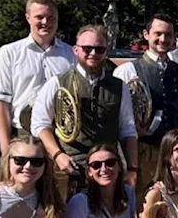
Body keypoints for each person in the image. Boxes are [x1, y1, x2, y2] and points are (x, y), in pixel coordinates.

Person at [33, 26, 139, 200]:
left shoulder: (120, 87)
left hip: (107, 170)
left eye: (99, 49)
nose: (93, 53)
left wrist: (133, 170)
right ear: (75, 50)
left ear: (107, 52)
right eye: (87, 48)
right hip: (70, 168)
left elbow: (127, 130)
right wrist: (58, 156)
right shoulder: (56, 83)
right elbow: (39, 124)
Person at [114, 14, 178, 194]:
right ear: (146, 34)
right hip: (142, 152)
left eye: (168, 35)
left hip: (172, 152)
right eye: (158, 34)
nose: (163, 39)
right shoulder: (127, 70)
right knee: (143, 202)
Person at [0, 0, 75, 153]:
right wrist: (5, 149)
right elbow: (1, 104)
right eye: (39, 17)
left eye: (51, 18)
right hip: (24, 134)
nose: (45, 22)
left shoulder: (71, 54)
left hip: (62, 135)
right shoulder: (9, 53)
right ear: (28, 17)